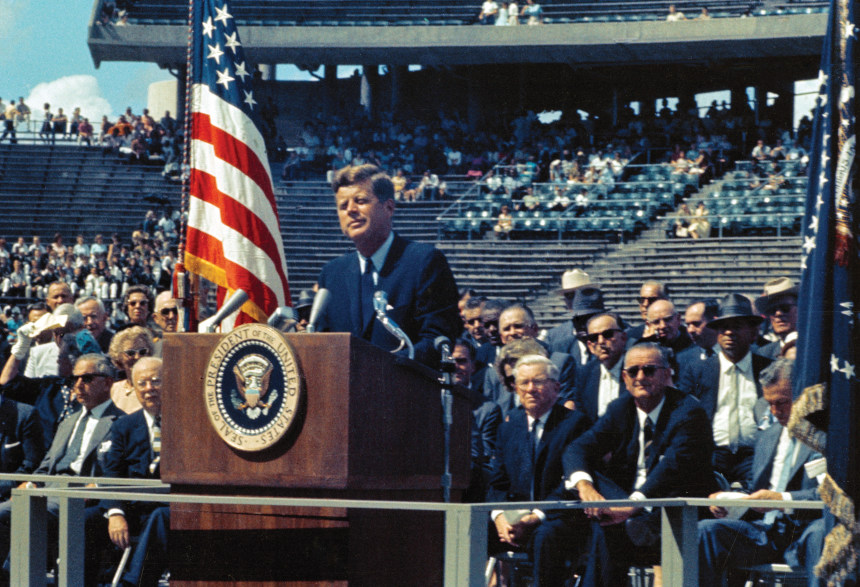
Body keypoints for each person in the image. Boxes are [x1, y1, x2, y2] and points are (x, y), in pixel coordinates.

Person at [564, 343, 716, 586]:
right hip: (623, 509)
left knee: (607, 530)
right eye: (633, 371)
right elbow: (578, 447)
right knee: (590, 482)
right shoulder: (620, 409)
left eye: (649, 370)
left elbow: (672, 469)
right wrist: (585, 488)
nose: (641, 377)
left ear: (667, 374)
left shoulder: (688, 411)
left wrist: (632, 506)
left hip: (671, 509)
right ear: (624, 378)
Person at [315, 165, 461, 368]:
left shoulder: (424, 262)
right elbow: (322, 344)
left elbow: (437, 340)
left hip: (404, 392)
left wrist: (380, 370)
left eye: (361, 201)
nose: (350, 210)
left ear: (389, 208)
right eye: (343, 205)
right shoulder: (332, 274)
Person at [0, 353, 124, 585]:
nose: (78, 385)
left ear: (108, 382)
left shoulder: (120, 422)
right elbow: (47, 465)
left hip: (78, 496)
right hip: (47, 491)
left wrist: (95, 486)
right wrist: (32, 482)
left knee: (16, 516)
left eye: (87, 378)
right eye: (74, 379)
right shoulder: (69, 420)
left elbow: (117, 471)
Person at [698, 359, 823, 587]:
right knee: (706, 531)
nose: (775, 412)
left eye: (782, 403)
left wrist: (782, 500)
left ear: (802, 395)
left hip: (806, 530)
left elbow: (831, 493)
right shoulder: (767, 436)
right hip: (765, 533)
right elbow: (757, 489)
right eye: (769, 404)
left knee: (822, 534)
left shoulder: (827, 435)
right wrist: (728, 501)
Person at [488, 355, 591, 587]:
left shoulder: (575, 424)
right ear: (515, 387)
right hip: (514, 519)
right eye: (523, 382)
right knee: (468, 528)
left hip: (557, 517)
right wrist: (500, 517)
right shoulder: (508, 426)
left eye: (538, 382)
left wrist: (535, 518)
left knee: (546, 536)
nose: (530, 389)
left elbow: (571, 484)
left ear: (557, 387)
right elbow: (497, 482)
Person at [677, 293, 772, 485]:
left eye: (737, 327)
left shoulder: (768, 369)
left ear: (753, 333)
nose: (729, 333)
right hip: (713, 453)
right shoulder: (698, 370)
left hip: (755, 454)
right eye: (723, 327)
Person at [91, 357, 169, 587]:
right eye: (142, 383)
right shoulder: (124, 426)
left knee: (159, 517)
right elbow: (111, 472)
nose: (149, 389)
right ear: (133, 389)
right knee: (83, 520)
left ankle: (133, 584)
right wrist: (115, 512)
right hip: (134, 508)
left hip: (171, 507)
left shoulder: (187, 422)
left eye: (156, 381)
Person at [453, 339, 502, 503]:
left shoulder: (488, 409)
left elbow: (485, 457)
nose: (454, 366)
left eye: (461, 361)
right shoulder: (429, 403)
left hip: (470, 486)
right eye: (448, 361)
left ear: (472, 366)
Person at [571, 312, 628, 422]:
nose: (601, 341)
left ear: (623, 337)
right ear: (590, 346)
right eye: (594, 337)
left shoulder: (636, 370)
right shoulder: (583, 374)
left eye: (608, 334)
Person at [109, 327, 156, 414]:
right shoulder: (112, 389)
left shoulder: (155, 388)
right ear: (119, 358)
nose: (137, 357)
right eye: (130, 353)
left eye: (142, 352)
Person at [753, 277, 798, 359]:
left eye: (785, 308)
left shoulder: (812, 347)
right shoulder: (763, 354)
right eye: (773, 310)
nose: (778, 313)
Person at [625, 281, 668, 345]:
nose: (645, 304)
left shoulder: (682, 334)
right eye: (642, 300)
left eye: (652, 300)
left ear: (665, 301)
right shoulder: (630, 335)